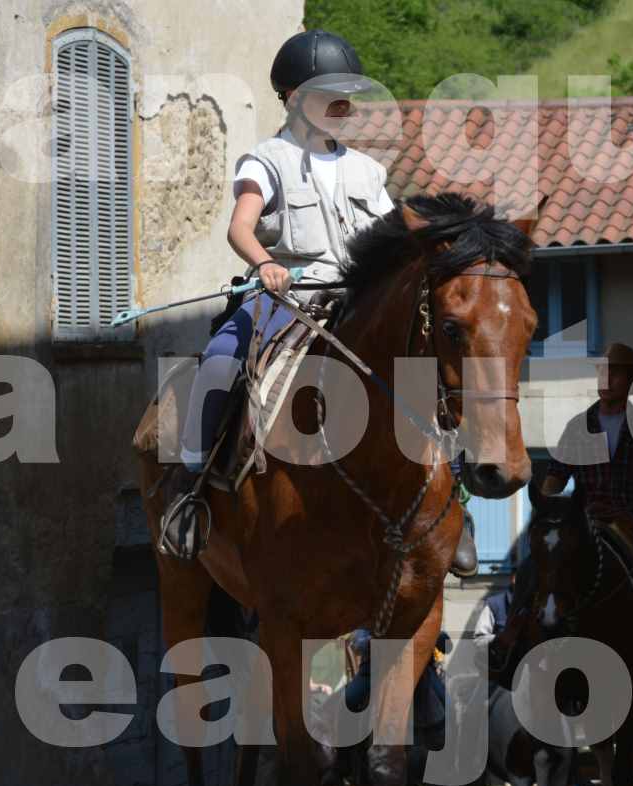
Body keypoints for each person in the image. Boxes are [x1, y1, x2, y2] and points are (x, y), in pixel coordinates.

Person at [157, 30, 479, 572]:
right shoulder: (266, 159)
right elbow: (240, 227)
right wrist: (265, 263)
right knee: (217, 363)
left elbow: (390, 237)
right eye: (332, 93)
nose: (345, 105)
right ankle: (189, 487)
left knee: (429, 372)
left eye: (347, 94)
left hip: (356, 297)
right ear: (295, 98)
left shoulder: (368, 171)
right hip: (288, 295)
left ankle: (456, 503)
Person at [538, 342, 633, 603]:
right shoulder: (577, 427)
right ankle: (514, 634)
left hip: (632, 522)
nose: (606, 380)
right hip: (586, 522)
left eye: (615, 374)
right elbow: (556, 476)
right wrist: (543, 506)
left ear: (631, 381)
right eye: (602, 373)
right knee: (535, 571)